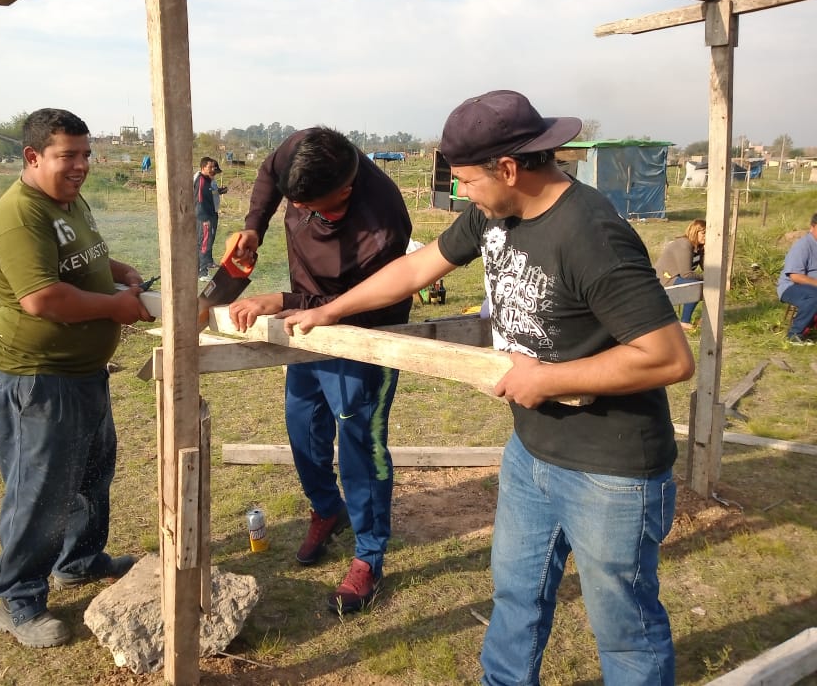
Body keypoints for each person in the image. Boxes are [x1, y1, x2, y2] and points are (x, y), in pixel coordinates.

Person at [283, 91, 695, 684]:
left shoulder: (590, 231)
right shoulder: (493, 214)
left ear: (508, 168)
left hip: (612, 470)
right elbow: (416, 268)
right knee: (516, 601)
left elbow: (668, 356)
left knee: (626, 632)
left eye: (467, 181)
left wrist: (548, 378)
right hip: (531, 454)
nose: (462, 194)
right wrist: (331, 311)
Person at [0, 108, 153, 648]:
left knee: (90, 473)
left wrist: (118, 272)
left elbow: (81, 258)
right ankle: (18, 598)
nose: (81, 166)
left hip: (82, 374)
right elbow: (43, 297)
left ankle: (77, 561)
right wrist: (114, 307)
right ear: (33, 157)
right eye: (68, 156)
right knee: (40, 490)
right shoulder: (19, 214)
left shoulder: (67, 199)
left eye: (85, 154)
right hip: (38, 379)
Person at [228, 127, 412, 614]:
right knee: (303, 427)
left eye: (322, 209)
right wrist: (254, 226)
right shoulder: (304, 151)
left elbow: (368, 303)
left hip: (362, 333)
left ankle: (369, 556)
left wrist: (285, 300)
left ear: (348, 189)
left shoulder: (382, 225)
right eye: (301, 207)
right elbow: (270, 171)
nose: (310, 216)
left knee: (359, 443)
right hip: (305, 329)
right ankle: (328, 509)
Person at [654, 218, 706, 330]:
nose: (706, 236)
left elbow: (706, 268)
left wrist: (706, 251)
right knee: (696, 286)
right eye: (703, 233)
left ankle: (706, 318)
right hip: (665, 279)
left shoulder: (698, 247)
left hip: (677, 277)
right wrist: (708, 278)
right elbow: (686, 274)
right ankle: (684, 321)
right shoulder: (684, 245)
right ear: (694, 232)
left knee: (707, 285)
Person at [776, 212, 817, 345]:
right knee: (815, 296)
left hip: (811, 287)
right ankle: (795, 334)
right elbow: (795, 276)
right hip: (791, 287)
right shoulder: (803, 245)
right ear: (813, 227)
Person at [194, 156, 227, 280]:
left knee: (204, 242)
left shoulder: (207, 180)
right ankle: (202, 272)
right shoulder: (201, 181)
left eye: (213, 167)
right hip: (204, 217)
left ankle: (199, 269)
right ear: (203, 168)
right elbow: (199, 201)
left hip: (209, 214)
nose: (213, 169)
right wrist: (204, 218)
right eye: (210, 167)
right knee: (204, 243)